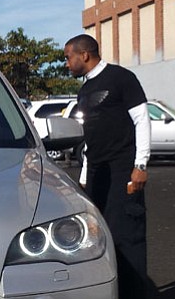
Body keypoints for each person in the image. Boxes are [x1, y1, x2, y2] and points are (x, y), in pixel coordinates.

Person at [64, 34, 152, 298]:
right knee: (97, 236)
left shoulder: (122, 79)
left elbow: (142, 120)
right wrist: (83, 177)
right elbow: (90, 138)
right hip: (96, 174)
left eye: (68, 57)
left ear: (85, 55)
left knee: (128, 237)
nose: (66, 64)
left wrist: (141, 164)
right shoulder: (84, 90)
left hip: (122, 168)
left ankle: (134, 293)